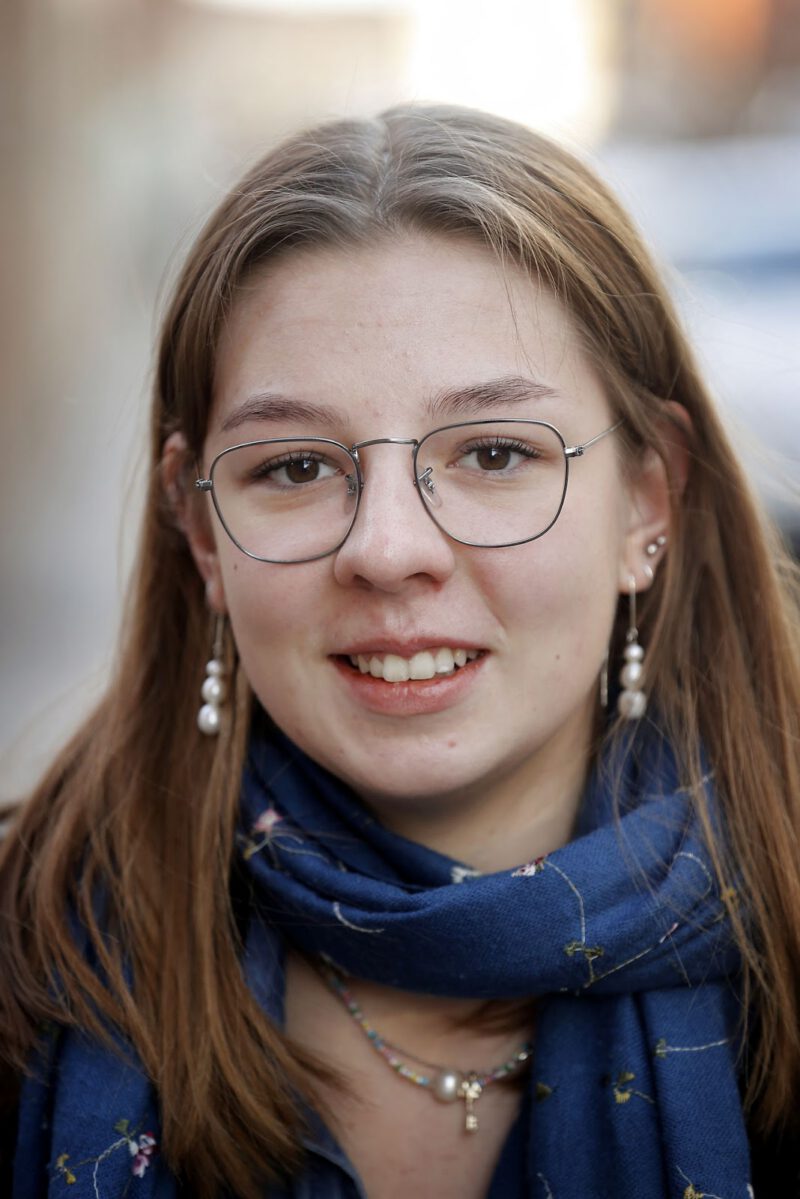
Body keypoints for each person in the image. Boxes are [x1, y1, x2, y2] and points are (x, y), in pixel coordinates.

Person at [1, 103, 798, 1199]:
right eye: (291, 467)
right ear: (201, 532)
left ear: (645, 497)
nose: (386, 549)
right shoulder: (22, 959)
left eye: (492, 450)